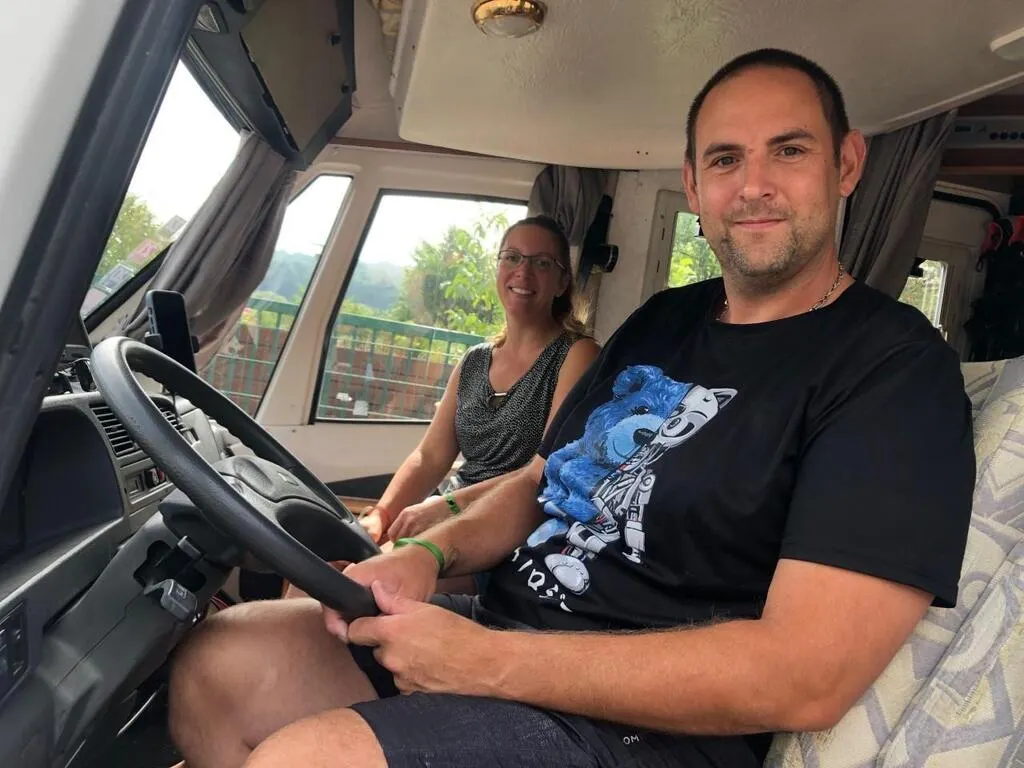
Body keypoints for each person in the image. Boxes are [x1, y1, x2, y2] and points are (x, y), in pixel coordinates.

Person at [168, 49, 975, 768]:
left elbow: (805, 675)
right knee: (218, 664)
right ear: (694, 183)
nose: (754, 184)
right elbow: (540, 481)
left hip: (648, 729)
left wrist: (483, 664)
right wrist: (430, 554)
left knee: (304, 759)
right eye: (726, 158)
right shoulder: (663, 320)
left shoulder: (895, 370)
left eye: (789, 151)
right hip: (507, 626)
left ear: (846, 163)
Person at [357, 214, 601, 545]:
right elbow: (430, 457)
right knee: (337, 556)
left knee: (363, 573)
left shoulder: (578, 355)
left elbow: (543, 471)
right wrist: (381, 515)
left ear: (561, 283)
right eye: (512, 257)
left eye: (542, 263)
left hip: (512, 528)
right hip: (448, 514)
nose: (523, 271)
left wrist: (448, 507)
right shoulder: (474, 360)